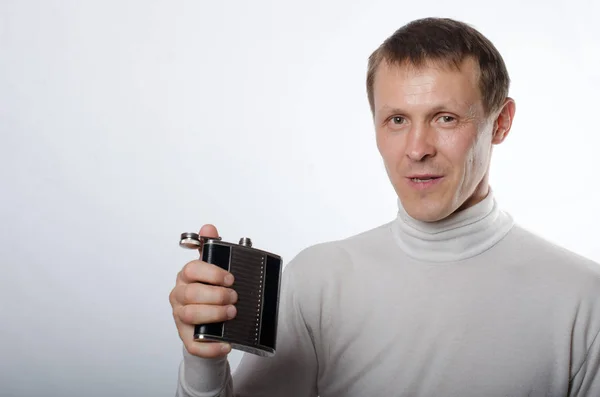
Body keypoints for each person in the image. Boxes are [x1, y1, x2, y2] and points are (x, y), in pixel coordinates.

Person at [169, 17, 600, 396]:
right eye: (397, 120)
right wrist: (203, 364)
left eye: (445, 117)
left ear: (500, 122)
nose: (417, 149)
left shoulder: (584, 298)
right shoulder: (318, 280)